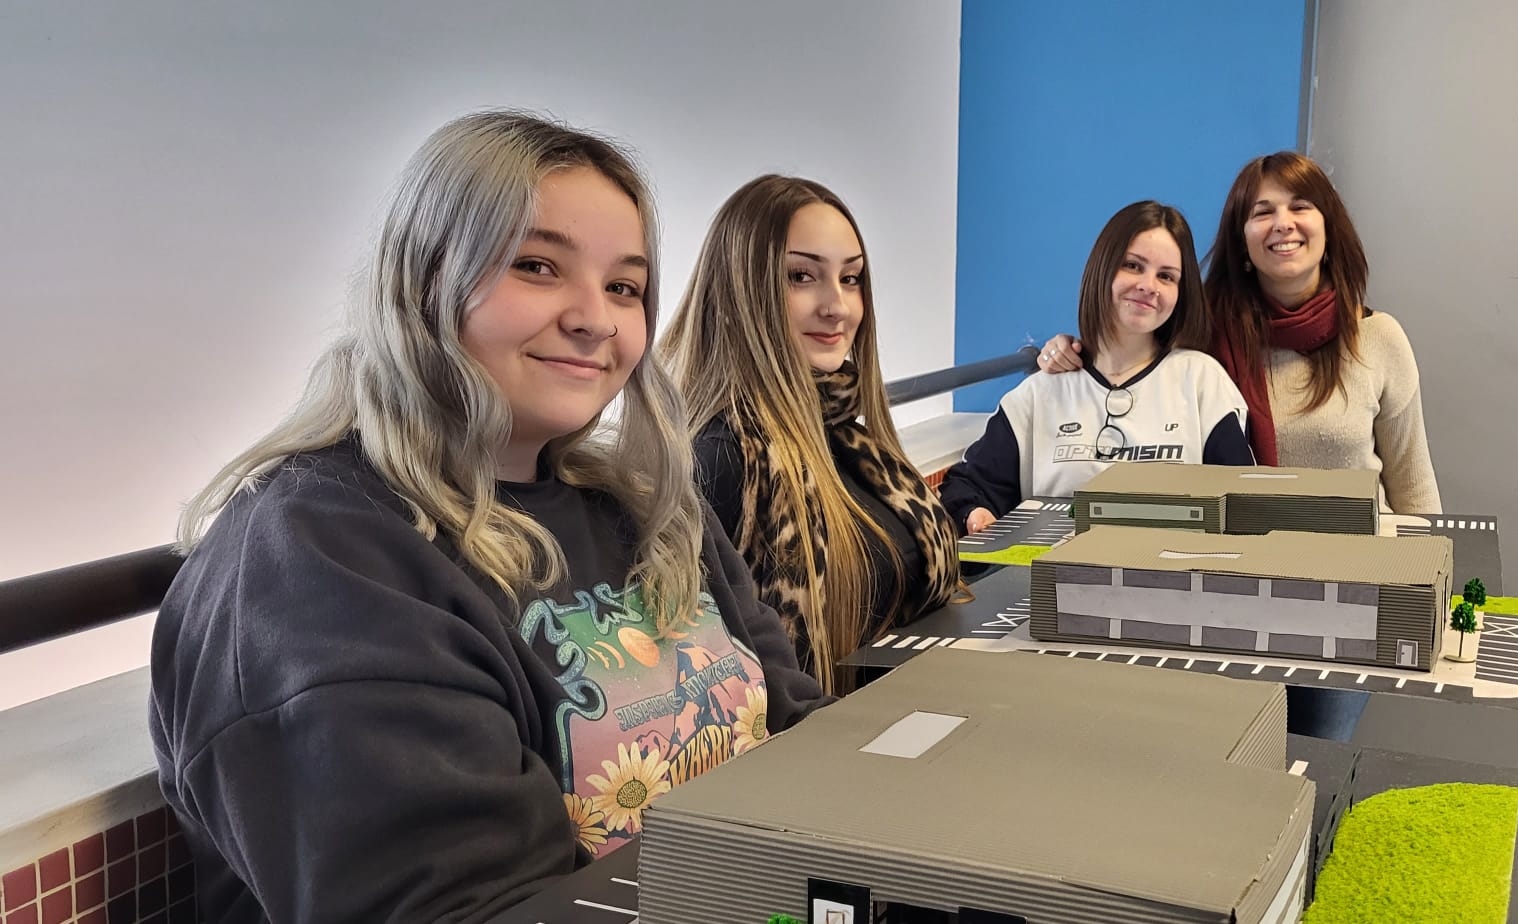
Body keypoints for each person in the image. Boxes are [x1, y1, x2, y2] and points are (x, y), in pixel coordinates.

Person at [150, 112, 830, 924]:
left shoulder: (647, 507)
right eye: (538, 266)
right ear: (423, 279)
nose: (596, 319)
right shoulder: (319, 562)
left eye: (624, 286)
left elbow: (799, 737)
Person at [658, 175, 961, 693]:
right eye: (801, 276)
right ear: (740, 290)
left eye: (851, 279)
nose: (837, 306)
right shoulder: (724, 460)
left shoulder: (846, 435)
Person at [1037, 152, 1441, 515]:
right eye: (1262, 212)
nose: (1283, 224)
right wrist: (1068, 350)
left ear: (1328, 227)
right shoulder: (1200, 338)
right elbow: (1127, 360)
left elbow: (1415, 488)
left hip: (1365, 563)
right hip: (1248, 567)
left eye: (1300, 206)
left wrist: (1429, 580)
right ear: (1242, 238)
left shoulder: (1379, 337)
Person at [940, 200, 1253, 532]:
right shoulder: (1040, 394)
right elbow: (967, 489)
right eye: (1133, 265)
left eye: (1166, 276)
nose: (1149, 285)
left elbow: (1243, 506)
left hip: (1175, 580)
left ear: (1181, 293)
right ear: (1102, 267)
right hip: (1059, 581)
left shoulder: (1202, 382)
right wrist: (976, 515)